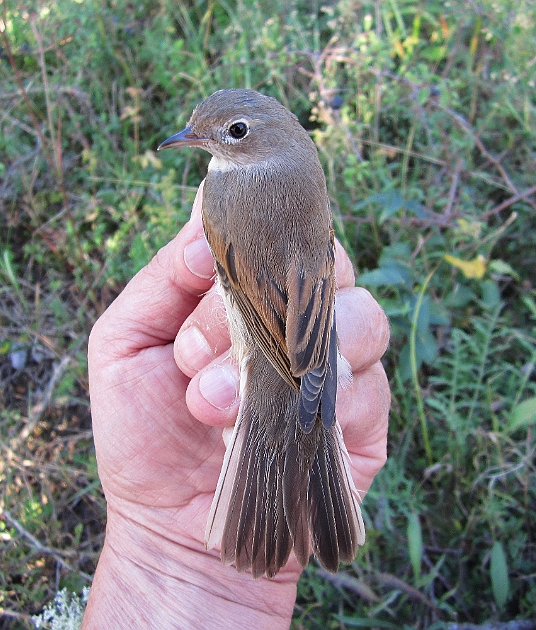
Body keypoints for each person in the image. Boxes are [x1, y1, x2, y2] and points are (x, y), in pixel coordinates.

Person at [82, 183, 390, 628]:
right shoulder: (259, 190)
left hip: (277, 354)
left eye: (235, 133)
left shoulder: (233, 194)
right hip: (296, 354)